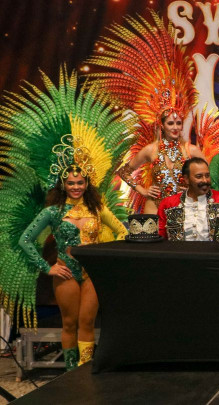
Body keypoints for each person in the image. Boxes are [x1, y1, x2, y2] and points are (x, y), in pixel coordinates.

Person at [1, 69, 131, 370]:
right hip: (66, 272)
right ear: (63, 185)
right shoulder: (52, 212)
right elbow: (25, 239)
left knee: (88, 322)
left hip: (93, 273)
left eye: (80, 182)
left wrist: (108, 256)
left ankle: (86, 372)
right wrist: (46, 266)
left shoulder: (98, 208)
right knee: (70, 323)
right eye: (71, 183)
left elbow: (122, 231)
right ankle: (72, 375)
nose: (76, 187)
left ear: (87, 183)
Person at [87, 11, 209, 214]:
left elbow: (206, 180)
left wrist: (192, 189)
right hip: (155, 207)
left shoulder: (192, 151)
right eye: (171, 123)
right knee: (153, 245)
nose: (176, 127)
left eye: (179, 123)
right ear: (162, 125)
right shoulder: (151, 150)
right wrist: (142, 190)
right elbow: (124, 171)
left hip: (185, 207)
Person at [158, 158, 219, 241]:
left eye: (207, 176)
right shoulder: (168, 204)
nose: (205, 180)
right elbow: (160, 237)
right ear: (186, 179)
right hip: (180, 253)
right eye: (199, 176)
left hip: (215, 253)